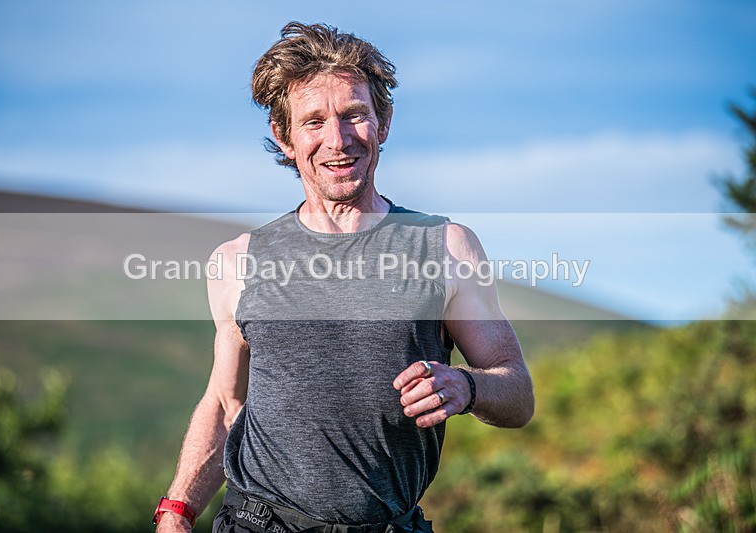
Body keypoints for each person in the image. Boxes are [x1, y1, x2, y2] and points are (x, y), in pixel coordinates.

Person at [153, 22, 534, 533]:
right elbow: (226, 403)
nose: (337, 139)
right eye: (313, 121)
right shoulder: (237, 260)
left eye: (354, 114)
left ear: (384, 122)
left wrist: (465, 385)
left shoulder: (445, 246)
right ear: (284, 136)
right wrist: (177, 510)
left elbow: (517, 392)